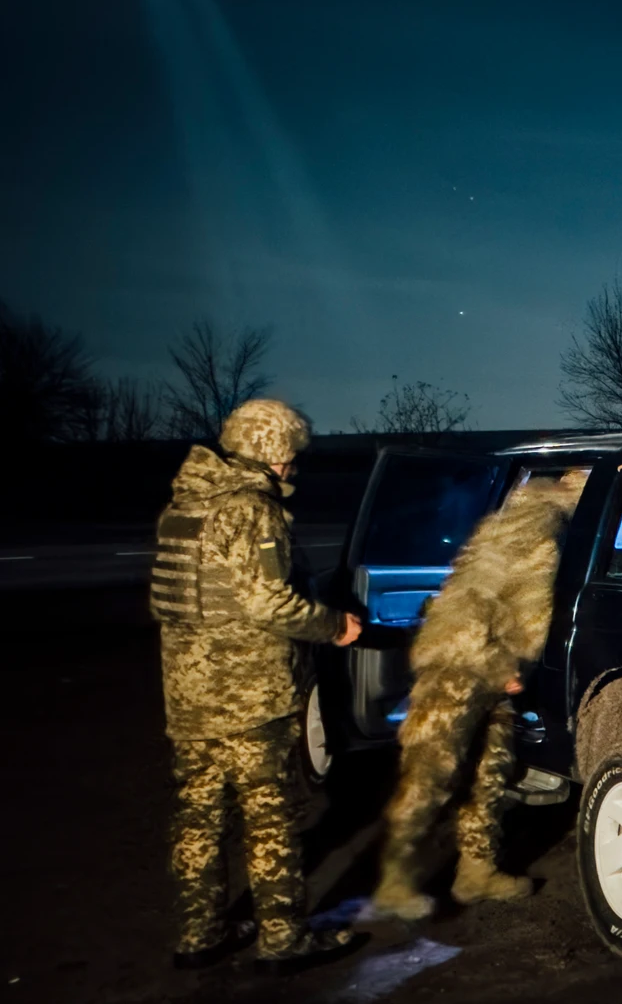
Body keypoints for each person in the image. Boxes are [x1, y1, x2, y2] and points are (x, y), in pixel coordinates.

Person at [150, 398, 364, 975]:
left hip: (188, 693)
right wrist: (333, 626)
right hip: (249, 693)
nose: (295, 466)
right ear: (272, 453)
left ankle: (201, 935)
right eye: (291, 455)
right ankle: (282, 940)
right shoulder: (251, 510)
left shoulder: (185, 505)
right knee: (268, 815)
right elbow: (268, 602)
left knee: (198, 815)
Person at [370, 469, 588, 920]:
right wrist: (509, 665)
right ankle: (395, 882)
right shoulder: (540, 534)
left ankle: (476, 873)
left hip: (477, 659)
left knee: (489, 770)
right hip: (462, 665)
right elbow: (529, 611)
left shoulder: (504, 521)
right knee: (429, 775)